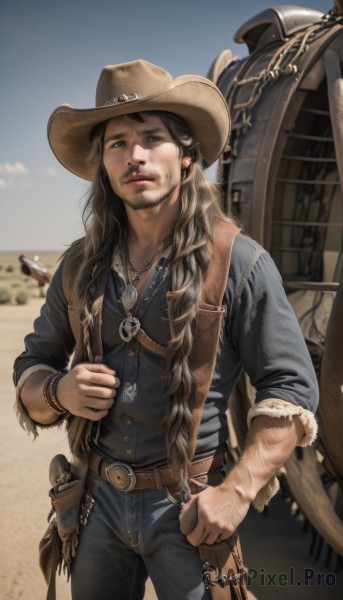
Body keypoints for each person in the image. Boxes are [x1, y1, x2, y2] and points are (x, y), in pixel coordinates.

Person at [13, 59, 319, 600]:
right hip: (94, 508)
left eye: (152, 138)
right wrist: (59, 390)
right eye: (118, 143)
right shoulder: (78, 267)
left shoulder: (239, 263)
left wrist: (236, 492)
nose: (135, 156)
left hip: (189, 512)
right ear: (103, 166)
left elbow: (292, 390)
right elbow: (31, 370)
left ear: (185, 156)